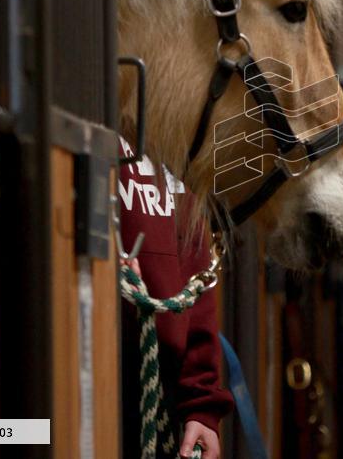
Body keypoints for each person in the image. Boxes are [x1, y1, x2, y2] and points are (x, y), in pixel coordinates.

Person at [119, 138, 233, 459]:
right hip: (87, 379)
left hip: (161, 404)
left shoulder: (170, 146)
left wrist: (202, 407)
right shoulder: (92, 118)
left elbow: (195, 281)